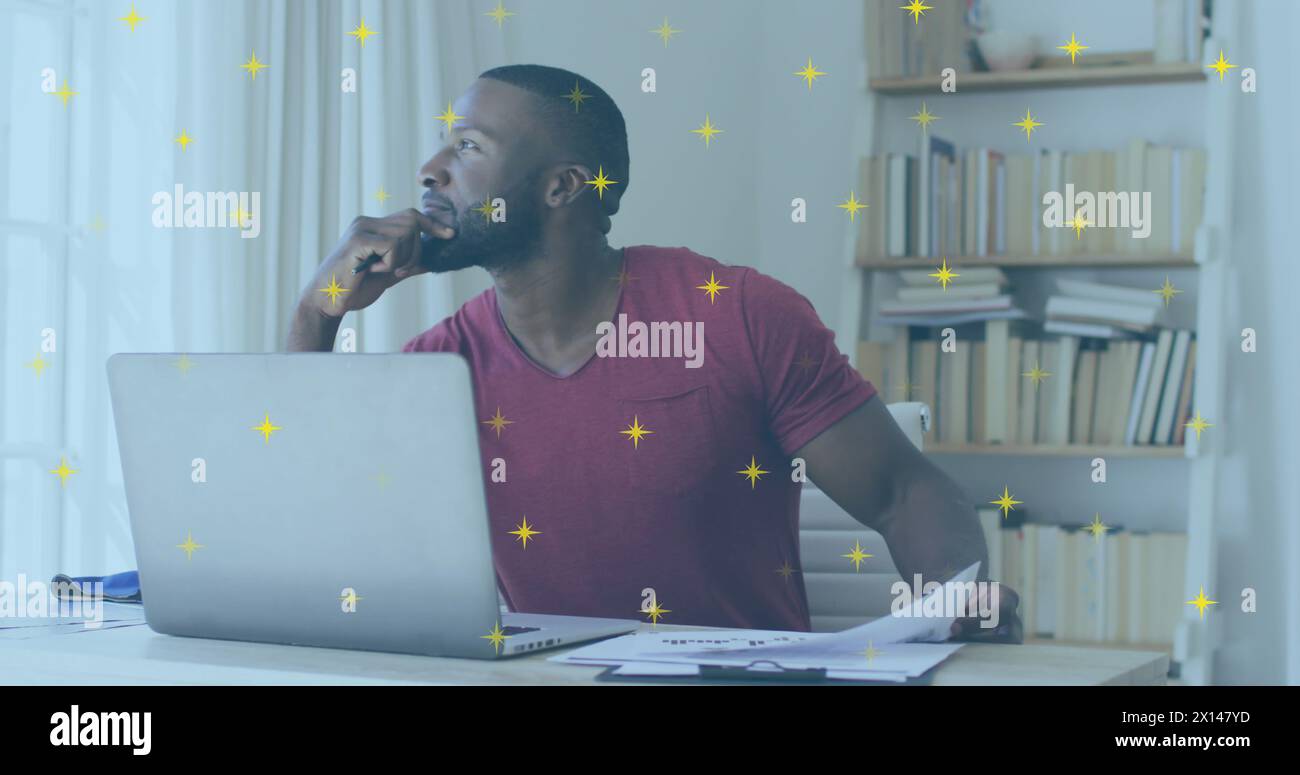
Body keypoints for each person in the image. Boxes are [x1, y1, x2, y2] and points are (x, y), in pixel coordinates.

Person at [288, 64, 1020, 640]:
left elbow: (904, 492)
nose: (431, 168)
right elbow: (307, 506)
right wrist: (316, 309)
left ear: (563, 186)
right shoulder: (437, 368)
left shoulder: (737, 315)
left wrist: (958, 603)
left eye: (469, 147)